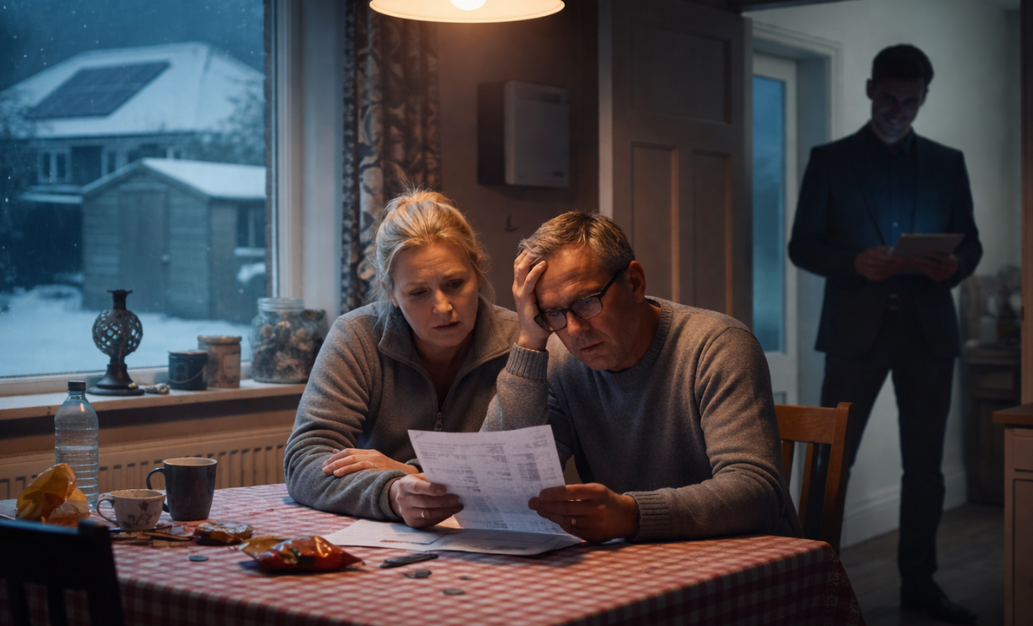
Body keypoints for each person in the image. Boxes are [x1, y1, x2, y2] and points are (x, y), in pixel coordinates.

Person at [419, 211, 800, 543]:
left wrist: (632, 514)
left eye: (586, 302)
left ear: (634, 283)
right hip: (636, 561)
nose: (574, 330)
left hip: (749, 565)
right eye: (553, 313)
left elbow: (758, 493)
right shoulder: (557, 359)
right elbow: (498, 482)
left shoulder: (717, 346)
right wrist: (530, 341)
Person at [789, 45, 982, 625]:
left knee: (924, 468)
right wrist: (854, 263)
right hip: (855, 334)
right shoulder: (830, 159)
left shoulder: (949, 163)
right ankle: (813, 585)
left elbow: (969, 243)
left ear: (924, 97)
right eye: (890, 97)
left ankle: (919, 587)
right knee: (830, 463)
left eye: (911, 101)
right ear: (871, 89)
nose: (899, 110)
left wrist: (956, 266)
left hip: (928, 334)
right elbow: (802, 245)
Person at [283, 190, 519, 527]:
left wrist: (410, 471)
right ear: (391, 291)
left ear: (477, 271)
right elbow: (305, 462)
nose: (442, 307)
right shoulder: (357, 336)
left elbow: (517, 474)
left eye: (454, 283)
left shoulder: (519, 342)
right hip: (388, 542)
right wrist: (392, 492)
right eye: (418, 293)